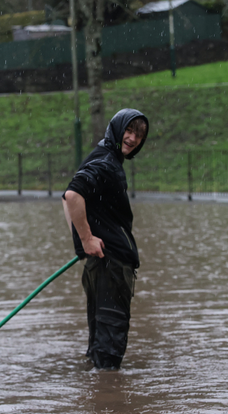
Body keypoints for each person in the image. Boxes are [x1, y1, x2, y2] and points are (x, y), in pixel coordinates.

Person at [61, 108, 149, 370]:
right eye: (129, 130)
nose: (133, 139)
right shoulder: (106, 163)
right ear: (116, 129)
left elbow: (68, 199)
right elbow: (72, 196)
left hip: (101, 265)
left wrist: (82, 244)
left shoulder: (102, 157)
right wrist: (85, 240)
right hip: (110, 267)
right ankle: (110, 402)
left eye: (139, 135)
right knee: (109, 347)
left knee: (100, 342)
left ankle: (100, 394)